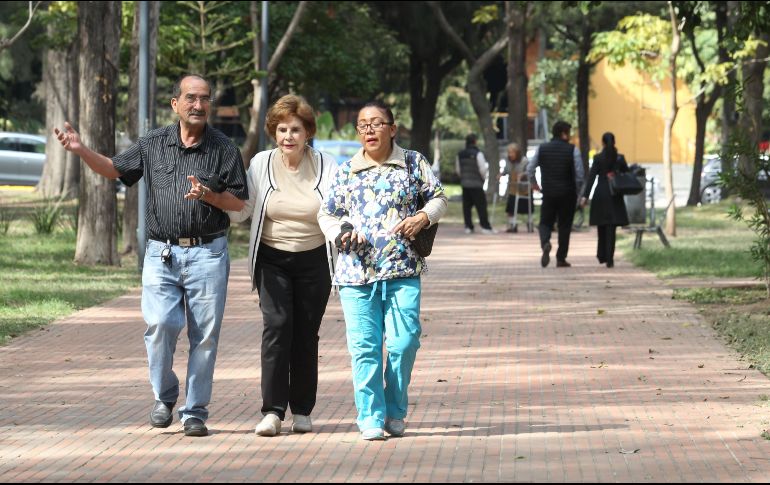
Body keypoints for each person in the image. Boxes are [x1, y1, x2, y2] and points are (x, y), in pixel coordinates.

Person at [54, 74, 248, 437]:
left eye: (205, 99)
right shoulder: (153, 143)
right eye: (191, 98)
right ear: (175, 103)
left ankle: (195, 412)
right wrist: (81, 150)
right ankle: (165, 395)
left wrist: (209, 196)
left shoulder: (224, 149)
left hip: (208, 253)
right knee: (160, 326)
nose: (198, 105)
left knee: (204, 336)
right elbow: (114, 168)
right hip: (162, 254)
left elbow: (239, 202)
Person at [318, 100, 448, 441]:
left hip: (403, 270)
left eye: (377, 123)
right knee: (365, 347)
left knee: (404, 342)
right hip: (355, 274)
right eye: (363, 125)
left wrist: (423, 217)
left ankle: (395, 408)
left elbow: (438, 198)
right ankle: (370, 416)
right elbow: (327, 213)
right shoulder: (346, 171)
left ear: (392, 128)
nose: (369, 130)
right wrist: (340, 233)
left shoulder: (412, 162)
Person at [227, 95, 339, 437]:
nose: (288, 136)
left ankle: (302, 410)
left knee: (306, 334)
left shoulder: (327, 164)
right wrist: (214, 199)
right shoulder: (261, 164)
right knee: (277, 326)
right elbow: (242, 210)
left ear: (308, 133)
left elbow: (338, 208)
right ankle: (273, 411)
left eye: (295, 129)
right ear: (273, 132)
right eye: (281, 129)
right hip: (271, 258)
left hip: (315, 258)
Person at [527, 120, 584, 268]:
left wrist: (534, 183)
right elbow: (579, 174)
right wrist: (577, 191)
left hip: (549, 193)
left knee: (545, 222)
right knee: (564, 226)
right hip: (568, 194)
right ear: (564, 133)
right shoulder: (573, 150)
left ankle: (545, 242)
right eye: (569, 132)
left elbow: (530, 168)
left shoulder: (542, 149)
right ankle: (561, 258)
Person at [579, 132, 630, 268]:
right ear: (614, 142)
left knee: (602, 226)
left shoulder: (598, 158)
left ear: (602, 143)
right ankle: (610, 258)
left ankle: (601, 254)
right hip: (615, 195)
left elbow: (591, 178)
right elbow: (627, 173)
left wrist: (585, 196)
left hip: (601, 194)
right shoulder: (620, 158)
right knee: (611, 228)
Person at [455, 134, 494, 234]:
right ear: (475, 141)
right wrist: (483, 179)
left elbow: (458, 170)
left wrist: (463, 178)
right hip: (476, 184)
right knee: (481, 206)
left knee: (466, 207)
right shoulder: (478, 154)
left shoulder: (460, 154)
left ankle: (468, 226)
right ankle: (485, 227)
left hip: (465, 184)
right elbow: (483, 169)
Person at [501, 143, 531, 233]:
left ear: (517, 153)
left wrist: (523, 175)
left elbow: (529, 171)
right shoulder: (508, 161)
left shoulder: (524, 161)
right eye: (509, 153)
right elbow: (506, 170)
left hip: (523, 187)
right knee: (511, 207)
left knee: (526, 207)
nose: (510, 155)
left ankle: (530, 224)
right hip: (513, 187)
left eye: (512, 153)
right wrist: (501, 174)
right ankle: (512, 225)